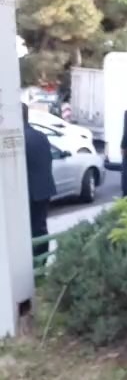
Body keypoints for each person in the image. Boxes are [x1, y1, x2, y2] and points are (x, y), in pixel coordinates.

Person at [22, 103, 57, 261]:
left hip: (29, 191)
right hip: (44, 189)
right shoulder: (40, 135)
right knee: (40, 229)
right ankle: (42, 261)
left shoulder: (17, 138)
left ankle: (34, 263)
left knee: (28, 231)